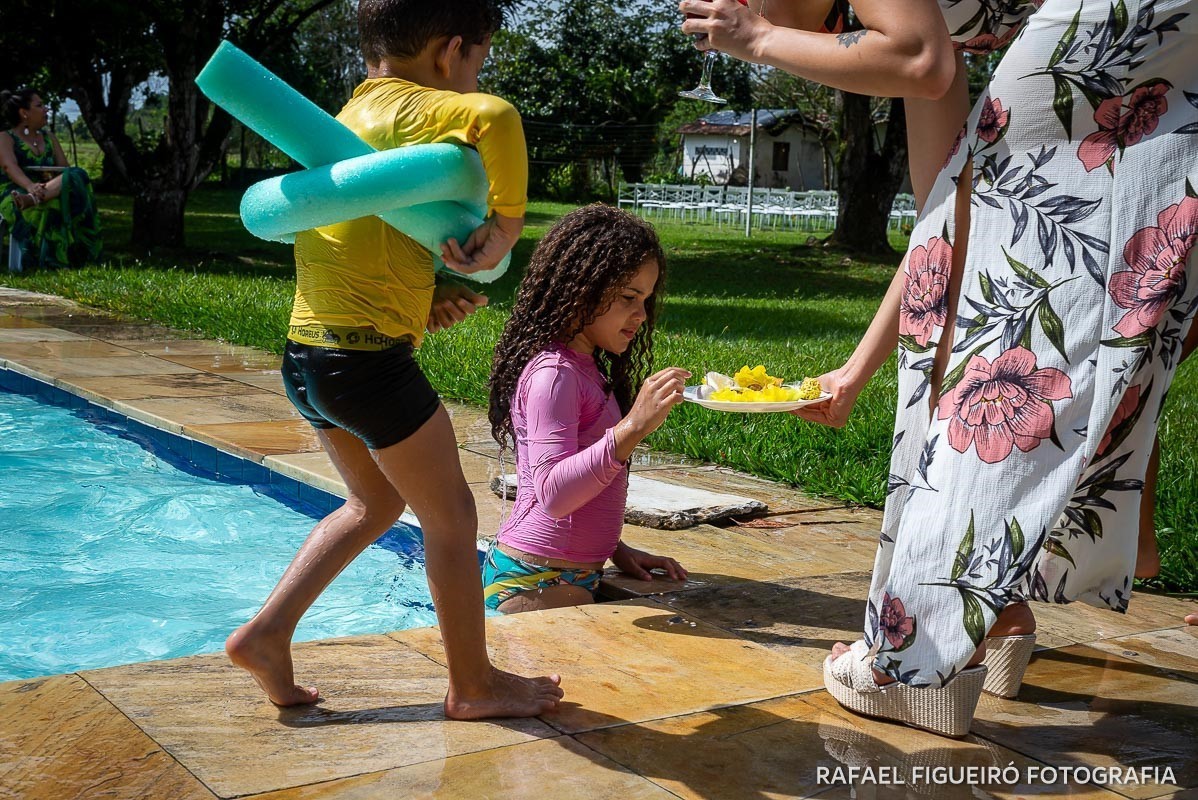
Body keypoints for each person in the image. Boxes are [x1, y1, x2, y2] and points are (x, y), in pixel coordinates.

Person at [682, 0, 1198, 735]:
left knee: (1009, 331)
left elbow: (919, 60)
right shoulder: (911, 27)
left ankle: (918, 658)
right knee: (1007, 287)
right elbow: (948, 225)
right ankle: (994, 612)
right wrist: (853, 372)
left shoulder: (901, 33)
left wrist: (760, 40)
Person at [224, 0, 564, 719]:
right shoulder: (423, 108)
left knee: (375, 502)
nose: (475, 81)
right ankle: (473, 686)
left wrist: (428, 297)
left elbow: (372, 235)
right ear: (449, 52)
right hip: (366, 365)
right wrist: (506, 227)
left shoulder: (344, 123)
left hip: (309, 358)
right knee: (453, 516)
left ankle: (267, 634)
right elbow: (497, 118)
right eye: (478, 62)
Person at [484, 205, 689, 613]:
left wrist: (615, 548)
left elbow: (585, 490)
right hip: (533, 580)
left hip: (562, 575)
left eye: (646, 300)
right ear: (582, 290)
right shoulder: (554, 375)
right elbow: (553, 494)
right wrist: (633, 426)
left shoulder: (585, 367)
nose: (641, 315)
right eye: (629, 297)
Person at [0, 87, 102, 269]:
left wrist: (42, 187)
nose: (46, 109)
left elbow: (65, 171)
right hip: (13, 191)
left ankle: (34, 199)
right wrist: (31, 186)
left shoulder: (49, 138)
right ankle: (48, 260)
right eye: (40, 105)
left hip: (42, 190)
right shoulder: (5, 137)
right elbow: (9, 167)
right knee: (57, 198)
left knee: (77, 174)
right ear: (24, 113)